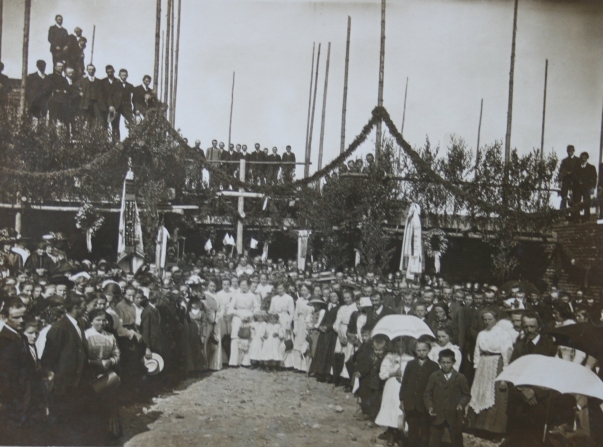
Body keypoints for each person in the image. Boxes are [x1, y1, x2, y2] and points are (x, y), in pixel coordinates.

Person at [41, 294, 88, 423]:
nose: (86, 309)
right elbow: (49, 358)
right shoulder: (59, 327)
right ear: (76, 307)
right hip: (64, 384)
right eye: (84, 306)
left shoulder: (80, 324)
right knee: (63, 418)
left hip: (77, 381)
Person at [468, 308, 513, 440]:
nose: (487, 322)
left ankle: (495, 431)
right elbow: (477, 351)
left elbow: (507, 354)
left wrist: (505, 375)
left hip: (497, 364)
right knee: (480, 393)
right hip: (483, 365)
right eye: (485, 319)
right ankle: (480, 427)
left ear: (496, 319)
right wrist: (476, 367)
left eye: (490, 319)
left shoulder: (503, 334)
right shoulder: (481, 333)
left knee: (496, 396)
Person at [84, 309, 121, 437]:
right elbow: (82, 357)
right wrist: (95, 362)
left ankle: (109, 433)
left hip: (107, 374)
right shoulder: (86, 335)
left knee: (109, 402)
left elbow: (116, 354)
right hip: (89, 374)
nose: (101, 323)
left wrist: (110, 361)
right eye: (98, 320)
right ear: (91, 321)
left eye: (104, 320)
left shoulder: (110, 336)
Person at [423, 349, 471, 447]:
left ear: (453, 362)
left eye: (448, 362)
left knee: (457, 441)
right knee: (434, 441)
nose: (445, 365)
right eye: (443, 362)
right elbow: (427, 394)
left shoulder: (460, 377)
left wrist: (461, 404)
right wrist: (430, 407)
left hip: (454, 414)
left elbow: (466, 395)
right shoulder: (434, 376)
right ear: (439, 362)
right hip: (438, 414)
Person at [375, 337, 415, 446]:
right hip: (392, 387)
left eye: (402, 346)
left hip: (404, 387)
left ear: (406, 346)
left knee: (401, 411)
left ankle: (400, 434)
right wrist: (394, 373)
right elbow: (382, 374)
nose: (399, 349)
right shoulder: (389, 357)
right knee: (391, 409)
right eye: (397, 346)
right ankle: (391, 435)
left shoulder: (411, 358)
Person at [400, 339, 440, 447]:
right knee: (412, 430)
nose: (421, 352)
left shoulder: (434, 366)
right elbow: (405, 382)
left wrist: (432, 404)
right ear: (415, 350)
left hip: (424, 405)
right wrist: (402, 399)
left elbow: (436, 387)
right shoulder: (410, 364)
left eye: (424, 350)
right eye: (418, 350)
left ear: (429, 350)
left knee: (424, 431)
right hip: (411, 403)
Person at [573, 151, 597, 220]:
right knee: (577, 201)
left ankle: (586, 217)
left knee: (586, 201)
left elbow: (594, 178)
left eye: (585, 157)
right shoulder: (577, 167)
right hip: (578, 187)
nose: (583, 159)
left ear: (587, 158)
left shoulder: (591, 167)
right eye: (582, 157)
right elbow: (574, 176)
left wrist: (593, 187)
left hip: (587, 188)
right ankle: (576, 217)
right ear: (580, 158)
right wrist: (578, 181)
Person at [558, 145, 579, 210]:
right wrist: (564, 175)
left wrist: (572, 172)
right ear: (567, 151)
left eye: (571, 150)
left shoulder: (577, 160)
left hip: (575, 181)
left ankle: (574, 213)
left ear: (574, 151)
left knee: (574, 197)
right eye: (569, 150)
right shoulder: (564, 161)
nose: (570, 152)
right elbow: (561, 170)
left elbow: (579, 170)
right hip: (566, 181)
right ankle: (562, 212)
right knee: (564, 196)